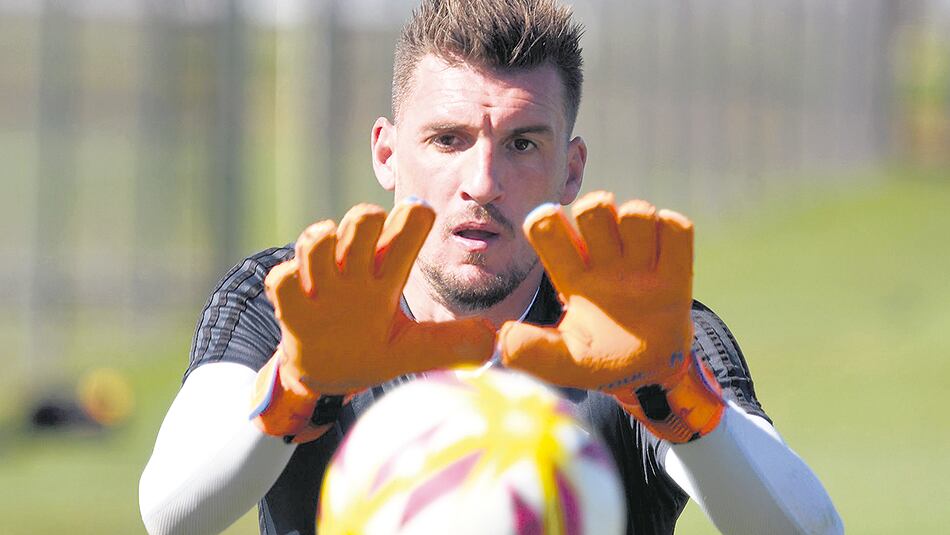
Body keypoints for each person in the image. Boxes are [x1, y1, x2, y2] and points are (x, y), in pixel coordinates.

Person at [139, 1, 843, 534]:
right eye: (448, 140)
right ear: (387, 153)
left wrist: (674, 396)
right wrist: (295, 389)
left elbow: (810, 528)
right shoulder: (294, 301)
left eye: (522, 144)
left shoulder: (642, 331)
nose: (482, 182)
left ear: (571, 170)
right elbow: (171, 510)